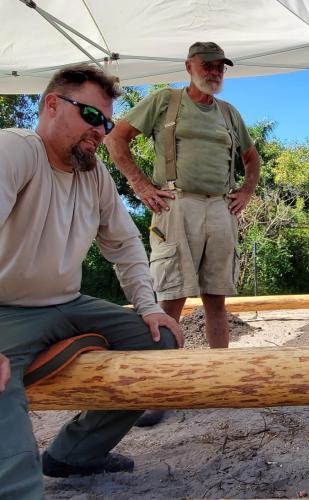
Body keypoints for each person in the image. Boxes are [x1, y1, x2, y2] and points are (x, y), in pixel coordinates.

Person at [0, 64, 184, 499]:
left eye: (106, 121)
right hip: (5, 308)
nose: (101, 130)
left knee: (160, 342)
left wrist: (149, 307)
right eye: (90, 114)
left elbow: (124, 246)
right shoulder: (14, 150)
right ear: (50, 105)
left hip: (66, 303)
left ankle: (75, 454)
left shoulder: (94, 174)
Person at [106, 41, 261, 353]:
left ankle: (218, 372)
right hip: (176, 205)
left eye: (220, 67)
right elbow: (115, 138)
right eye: (208, 65)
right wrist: (141, 184)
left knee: (216, 298)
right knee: (172, 292)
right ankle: (161, 378)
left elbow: (252, 159)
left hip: (220, 207)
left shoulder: (229, 114)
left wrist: (245, 192)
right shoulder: (166, 100)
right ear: (189, 66)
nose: (215, 72)